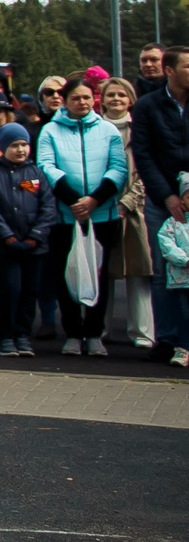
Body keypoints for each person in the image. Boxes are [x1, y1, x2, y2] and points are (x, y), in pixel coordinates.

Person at [36, 77, 131, 358]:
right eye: (76, 98)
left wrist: (94, 200)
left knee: (98, 276)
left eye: (87, 98)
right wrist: (73, 200)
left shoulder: (108, 130)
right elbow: (46, 166)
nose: (82, 102)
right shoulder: (50, 131)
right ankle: (73, 334)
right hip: (65, 216)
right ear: (65, 101)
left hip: (102, 215)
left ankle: (93, 333)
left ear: (94, 99)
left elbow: (118, 168)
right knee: (66, 275)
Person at [0, 121, 51, 358]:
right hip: (4, 247)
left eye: (25, 145)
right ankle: (5, 337)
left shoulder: (36, 173)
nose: (21, 150)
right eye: (15, 145)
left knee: (29, 292)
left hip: (33, 247)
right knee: (9, 291)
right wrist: (7, 236)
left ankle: (23, 336)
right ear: (5, 146)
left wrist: (35, 237)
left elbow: (48, 207)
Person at [135, 48, 189, 367]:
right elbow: (143, 154)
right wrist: (168, 195)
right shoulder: (147, 106)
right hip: (161, 200)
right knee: (164, 270)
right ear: (170, 71)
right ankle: (166, 337)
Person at [97, 78, 158, 351]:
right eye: (111, 94)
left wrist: (129, 201)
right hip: (100, 208)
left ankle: (142, 331)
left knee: (139, 271)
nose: (116, 99)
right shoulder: (94, 127)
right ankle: (99, 328)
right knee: (102, 273)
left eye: (122, 94)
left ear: (130, 99)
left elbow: (147, 167)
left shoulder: (141, 128)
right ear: (103, 98)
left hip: (135, 212)